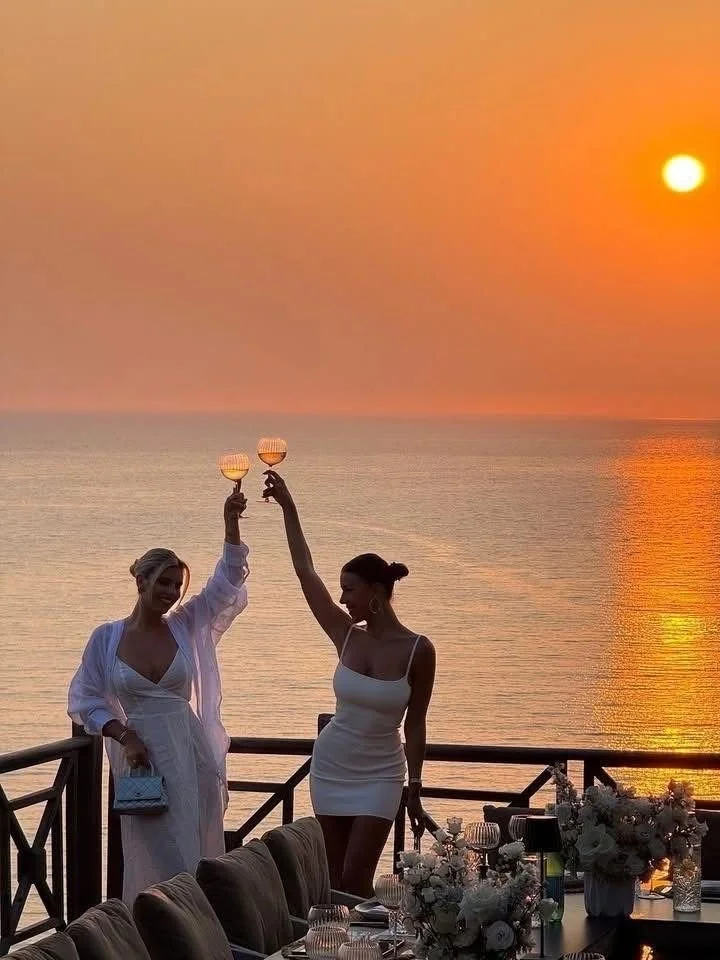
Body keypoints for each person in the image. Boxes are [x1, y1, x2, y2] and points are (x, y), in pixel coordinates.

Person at [68, 487, 249, 903]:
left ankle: (194, 929)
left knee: (192, 857)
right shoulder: (106, 638)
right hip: (142, 764)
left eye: (177, 585)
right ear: (141, 581)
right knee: (154, 858)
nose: (171, 592)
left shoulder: (184, 625)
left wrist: (230, 523)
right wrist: (124, 735)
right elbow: (85, 698)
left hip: (190, 753)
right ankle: (152, 931)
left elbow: (225, 584)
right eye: (163, 582)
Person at [263, 470, 436, 896]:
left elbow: (415, 723)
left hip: (382, 773)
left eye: (349, 590)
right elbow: (305, 571)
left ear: (376, 591)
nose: (342, 599)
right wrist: (288, 506)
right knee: (334, 883)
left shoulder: (419, 649)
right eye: (340, 591)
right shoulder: (345, 634)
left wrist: (415, 785)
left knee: (358, 880)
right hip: (332, 765)